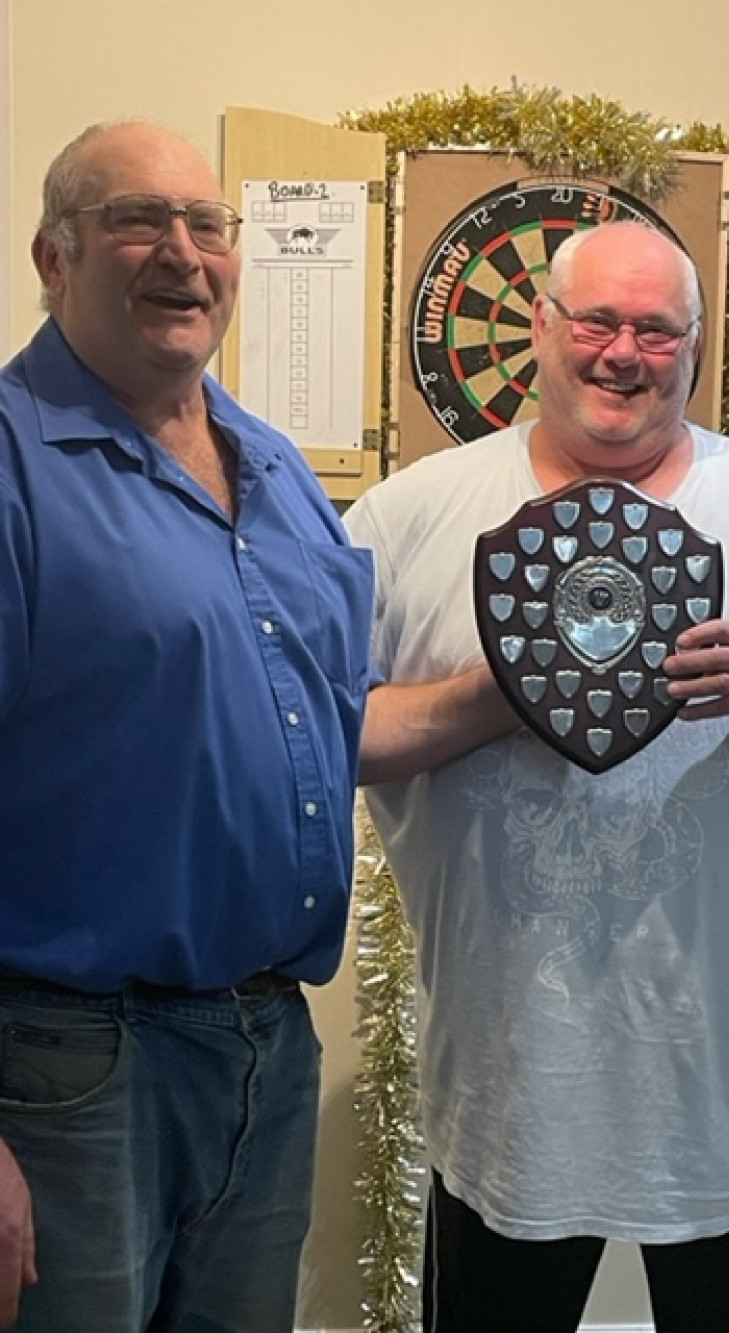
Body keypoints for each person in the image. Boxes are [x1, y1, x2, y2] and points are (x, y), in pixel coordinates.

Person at [345, 219, 729, 1333]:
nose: (624, 351)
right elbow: (322, 733)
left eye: (656, 329)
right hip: (508, 1089)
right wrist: (492, 693)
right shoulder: (413, 514)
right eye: (598, 320)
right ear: (540, 328)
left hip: (720, 1088)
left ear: (695, 347)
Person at [0, 119, 509, 1333]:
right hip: (65, 1067)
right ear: (53, 259)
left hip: (263, 1047)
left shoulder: (276, 473)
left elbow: (331, 731)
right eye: (136, 219)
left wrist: (518, 690)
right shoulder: (14, 467)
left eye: (206, 225)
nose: (181, 252)